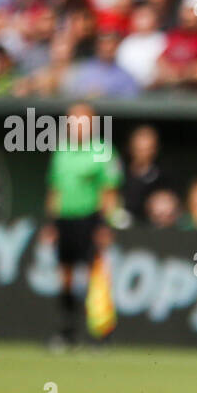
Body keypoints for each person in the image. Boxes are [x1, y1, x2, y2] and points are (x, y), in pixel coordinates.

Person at [41, 102, 122, 348]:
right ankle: (67, 332)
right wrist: (51, 224)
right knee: (65, 277)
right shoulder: (62, 152)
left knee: (94, 277)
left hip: (90, 220)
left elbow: (109, 191)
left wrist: (105, 225)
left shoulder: (102, 150)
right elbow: (54, 190)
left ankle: (100, 334)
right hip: (65, 221)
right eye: (73, 120)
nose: (77, 126)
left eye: (82, 121)